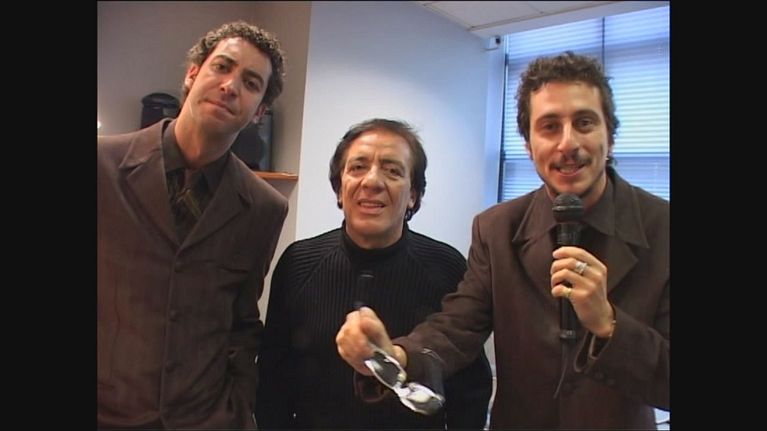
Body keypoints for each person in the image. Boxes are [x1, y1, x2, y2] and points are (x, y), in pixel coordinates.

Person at [337, 52, 669, 429]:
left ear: (610, 135)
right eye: (549, 127)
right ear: (528, 144)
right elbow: (457, 328)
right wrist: (395, 356)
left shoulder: (663, 228)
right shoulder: (497, 229)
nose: (568, 143)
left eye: (584, 123)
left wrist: (609, 325)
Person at [97, 21, 288, 429]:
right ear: (192, 74)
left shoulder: (264, 208)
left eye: (250, 83)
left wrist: (238, 410)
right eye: (222, 67)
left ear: (259, 112)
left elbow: (242, 324)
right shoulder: (102, 165)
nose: (230, 86)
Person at [255, 119, 492, 429]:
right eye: (358, 167)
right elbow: (273, 384)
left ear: (413, 195)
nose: (372, 181)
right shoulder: (298, 264)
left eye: (392, 171)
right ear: (339, 189)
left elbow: (470, 389)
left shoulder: (446, 267)